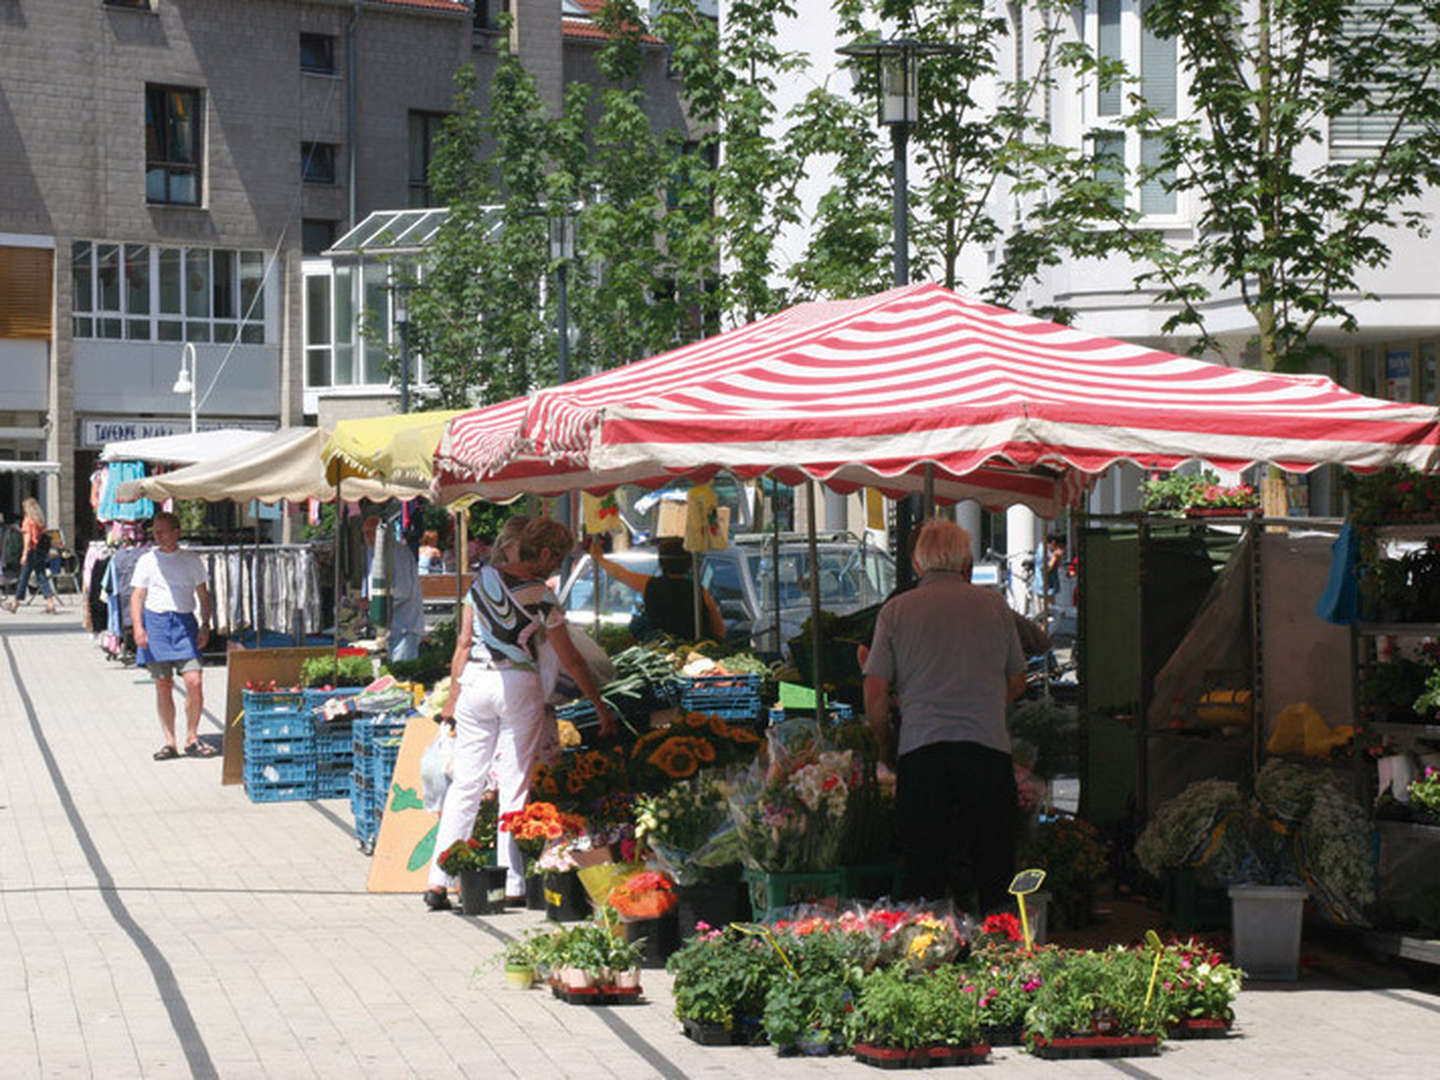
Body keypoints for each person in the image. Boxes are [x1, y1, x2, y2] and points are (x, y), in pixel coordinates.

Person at [424, 517, 616, 911]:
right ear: (543, 553)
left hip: (476, 682)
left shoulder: (480, 582)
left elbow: (463, 643)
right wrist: (600, 706)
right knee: (514, 785)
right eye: (556, 560)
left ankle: (438, 881)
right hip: (518, 686)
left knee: (466, 784)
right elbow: (572, 660)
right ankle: (511, 882)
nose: (555, 569)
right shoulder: (541, 596)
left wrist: (452, 701)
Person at [863, 518, 1025, 914]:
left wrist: (885, 745)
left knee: (925, 874)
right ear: (964, 560)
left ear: (917, 564)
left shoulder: (896, 611)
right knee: (993, 871)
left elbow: (875, 691)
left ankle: (930, 957)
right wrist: (984, 705)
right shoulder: (994, 605)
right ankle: (998, 955)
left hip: (922, 752)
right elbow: (1017, 680)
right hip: (987, 752)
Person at [130, 511, 215, 760]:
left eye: (162, 531)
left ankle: (192, 736)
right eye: (154, 531)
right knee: (163, 684)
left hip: (184, 623)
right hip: (156, 623)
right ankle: (170, 742)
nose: (156, 535)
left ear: (176, 531)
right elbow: (137, 596)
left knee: (194, 680)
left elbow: (203, 595)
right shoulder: (147, 560)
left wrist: (205, 624)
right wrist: (138, 627)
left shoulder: (191, 560)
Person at [588, 535, 725, 640]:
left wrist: (600, 559)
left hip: (658, 650)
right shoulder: (700, 591)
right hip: (692, 651)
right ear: (689, 563)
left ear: (661, 562)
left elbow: (619, 573)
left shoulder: (649, 584)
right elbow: (719, 629)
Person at [362, 514, 424, 662]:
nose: (368, 537)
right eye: (365, 533)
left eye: (372, 533)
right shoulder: (375, 553)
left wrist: (373, 604)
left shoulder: (398, 553)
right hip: (391, 629)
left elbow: (403, 590)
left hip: (405, 628)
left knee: (402, 677)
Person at [5, 497, 56, 614]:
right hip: (40, 552)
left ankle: (15, 604)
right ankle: (50, 601)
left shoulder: (28, 521)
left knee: (23, 577)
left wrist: (24, 554)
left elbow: (27, 539)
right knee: (41, 576)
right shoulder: (40, 521)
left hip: (31, 551)